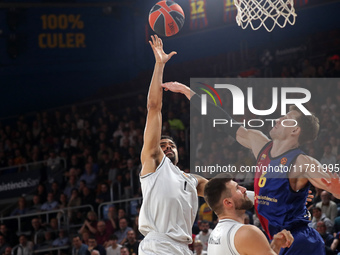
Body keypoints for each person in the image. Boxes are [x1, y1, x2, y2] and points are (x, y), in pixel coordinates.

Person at [162, 81, 340, 254]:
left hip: (300, 241)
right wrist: (189, 93)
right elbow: (225, 122)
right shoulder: (260, 143)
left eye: (286, 119)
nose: (278, 119)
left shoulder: (303, 163)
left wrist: (331, 187)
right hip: (280, 239)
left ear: (295, 131)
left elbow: (334, 186)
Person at [138, 35, 207, 255]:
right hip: (158, 245)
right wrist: (159, 65)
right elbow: (153, 107)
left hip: (183, 248)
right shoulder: (154, 162)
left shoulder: (191, 180)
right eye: (163, 145)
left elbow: (226, 192)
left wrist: (277, 196)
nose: (168, 147)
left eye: (172, 145)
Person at [204, 175, 294, 255]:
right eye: (237, 188)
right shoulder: (247, 232)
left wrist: (276, 245)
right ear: (228, 202)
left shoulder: (214, 234)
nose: (244, 189)